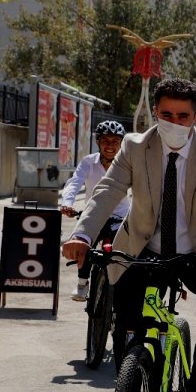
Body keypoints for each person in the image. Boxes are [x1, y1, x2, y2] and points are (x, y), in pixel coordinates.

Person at [62, 77, 196, 392]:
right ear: (154, 113)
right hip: (144, 248)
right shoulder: (134, 146)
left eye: (183, 115)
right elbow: (108, 190)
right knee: (127, 321)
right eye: (166, 114)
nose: (174, 123)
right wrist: (82, 235)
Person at [59, 120, 132, 302]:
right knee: (84, 245)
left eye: (115, 141)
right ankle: (82, 282)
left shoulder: (128, 163)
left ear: (121, 143)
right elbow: (75, 182)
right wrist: (67, 203)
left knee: (123, 253)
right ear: (98, 142)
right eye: (105, 140)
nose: (110, 145)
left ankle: (122, 287)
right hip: (93, 216)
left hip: (120, 217)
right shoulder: (89, 162)